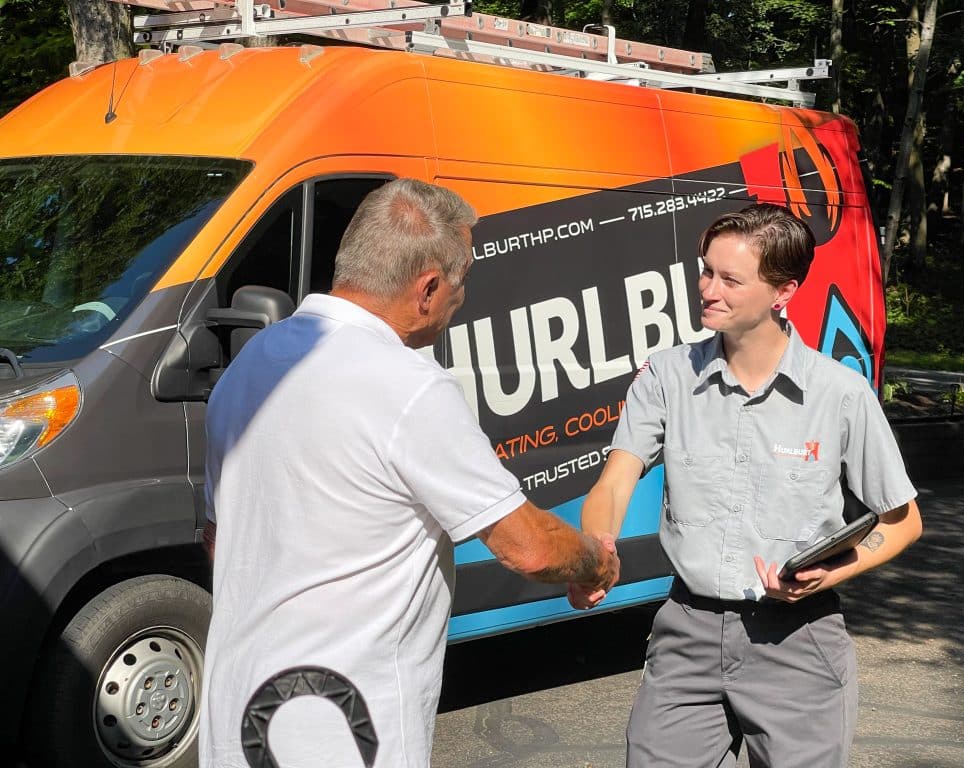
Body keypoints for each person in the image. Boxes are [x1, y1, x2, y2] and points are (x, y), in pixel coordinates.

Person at [200, 178, 619, 767]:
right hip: (344, 727)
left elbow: (221, 540)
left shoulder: (250, 366)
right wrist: (596, 562)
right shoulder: (408, 387)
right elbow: (528, 548)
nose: (462, 296)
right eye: (461, 280)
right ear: (427, 288)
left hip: (236, 714)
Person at [571, 203, 922, 767]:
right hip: (687, 632)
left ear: (783, 292)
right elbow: (615, 482)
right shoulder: (666, 376)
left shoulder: (841, 395)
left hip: (799, 642)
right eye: (706, 270)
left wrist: (839, 568)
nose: (708, 288)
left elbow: (903, 520)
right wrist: (597, 550)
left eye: (730, 279)